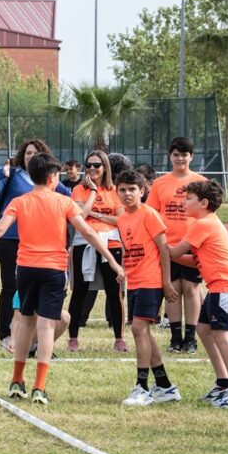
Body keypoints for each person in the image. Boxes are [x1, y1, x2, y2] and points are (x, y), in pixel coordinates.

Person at [0, 152, 124, 406]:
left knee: (26, 322)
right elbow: (89, 233)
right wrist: (113, 261)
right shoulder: (64, 202)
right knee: (46, 326)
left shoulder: (20, 201)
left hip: (25, 269)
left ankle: (17, 380)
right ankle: (39, 386)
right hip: (53, 270)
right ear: (52, 177)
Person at [169, 180, 228, 410]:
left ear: (203, 203)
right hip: (218, 285)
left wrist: (156, 242)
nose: (184, 202)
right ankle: (223, 383)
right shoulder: (203, 223)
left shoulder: (202, 224)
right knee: (204, 329)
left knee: (222, 336)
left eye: (188, 199)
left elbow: (175, 252)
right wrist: (166, 251)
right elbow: (191, 260)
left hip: (226, 285)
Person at [0, 140, 73, 352]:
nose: (31, 156)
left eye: (36, 153)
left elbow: (67, 196)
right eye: (28, 152)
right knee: (10, 287)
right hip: (9, 240)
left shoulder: (49, 181)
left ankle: (31, 341)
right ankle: (6, 334)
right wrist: (2, 171)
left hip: (35, 243)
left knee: (33, 293)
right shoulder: (14, 174)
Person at [114, 170, 181, 406]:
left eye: (132, 189)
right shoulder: (122, 219)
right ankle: (165, 386)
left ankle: (141, 387)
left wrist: (165, 282)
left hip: (151, 281)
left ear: (142, 191)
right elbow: (128, 247)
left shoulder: (149, 214)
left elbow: (164, 249)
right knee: (143, 332)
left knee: (138, 329)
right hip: (135, 280)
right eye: (122, 190)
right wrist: (123, 270)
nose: (127, 194)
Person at [146, 137, 207, 354]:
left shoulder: (201, 182)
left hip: (192, 243)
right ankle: (175, 338)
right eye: (176, 154)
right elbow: (151, 214)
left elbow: (207, 214)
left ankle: (190, 338)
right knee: (172, 290)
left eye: (184, 154)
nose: (180, 158)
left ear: (191, 156)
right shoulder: (160, 183)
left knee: (190, 289)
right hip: (167, 244)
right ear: (169, 156)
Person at [66, 150, 126, 352]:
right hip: (84, 243)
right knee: (80, 292)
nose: (92, 168)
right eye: (88, 165)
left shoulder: (115, 190)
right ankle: (73, 338)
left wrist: (95, 214)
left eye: (96, 165)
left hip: (111, 243)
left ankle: (119, 338)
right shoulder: (79, 190)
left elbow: (120, 220)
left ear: (105, 167)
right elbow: (80, 216)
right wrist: (92, 192)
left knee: (114, 291)